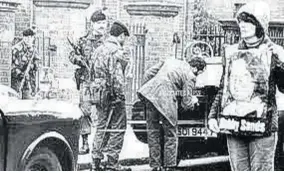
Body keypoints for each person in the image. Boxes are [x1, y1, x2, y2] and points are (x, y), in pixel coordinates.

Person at [208, 1, 284, 171]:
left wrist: (280, 63)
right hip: (234, 125)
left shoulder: (274, 52)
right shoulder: (232, 53)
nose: (242, 25)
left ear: (260, 24)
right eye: (240, 21)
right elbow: (224, 89)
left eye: (248, 21)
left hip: (263, 127)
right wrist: (213, 116)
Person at [137, 57, 206, 171]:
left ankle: (156, 166)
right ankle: (169, 166)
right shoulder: (190, 76)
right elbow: (186, 104)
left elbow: (148, 74)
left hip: (149, 94)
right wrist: (194, 101)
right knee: (171, 133)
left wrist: (151, 88)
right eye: (199, 72)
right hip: (166, 98)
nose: (197, 75)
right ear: (194, 68)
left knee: (153, 133)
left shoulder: (170, 61)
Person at [91, 21, 131, 171]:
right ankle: (113, 162)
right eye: (124, 37)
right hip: (113, 94)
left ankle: (96, 160)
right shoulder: (116, 52)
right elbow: (117, 77)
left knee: (101, 126)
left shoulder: (98, 49)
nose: (124, 40)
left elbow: (91, 72)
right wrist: (119, 95)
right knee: (118, 127)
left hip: (98, 92)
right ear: (120, 36)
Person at [69, 9, 108, 155]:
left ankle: (101, 146)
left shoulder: (109, 41)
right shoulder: (83, 40)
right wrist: (77, 59)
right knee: (84, 111)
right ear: (92, 24)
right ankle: (85, 144)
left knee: (104, 113)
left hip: (103, 83)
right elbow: (72, 55)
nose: (102, 26)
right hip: (86, 82)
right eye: (98, 23)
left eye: (103, 23)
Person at [11, 28, 40, 99]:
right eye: (26, 37)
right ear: (23, 37)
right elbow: (12, 66)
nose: (28, 39)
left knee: (28, 102)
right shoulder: (16, 49)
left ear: (33, 38)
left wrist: (33, 66)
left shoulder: (34, 50)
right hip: (17, 81)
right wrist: (20, 73)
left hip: (29, 82)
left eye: (30, 37)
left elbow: (38, 64)